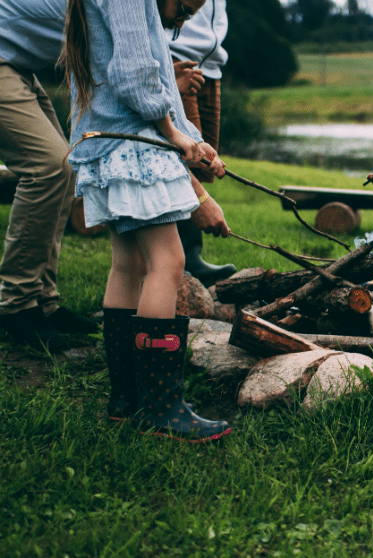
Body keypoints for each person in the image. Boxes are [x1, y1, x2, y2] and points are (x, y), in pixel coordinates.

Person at [62, 0, 231, 442]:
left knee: (129, 266)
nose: (187, 16)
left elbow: (150, 83)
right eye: (186, 5)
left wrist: (195, 143)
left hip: (108, 143)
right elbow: (135, 74)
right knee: (168, 263)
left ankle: (127, 400)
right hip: (132, 146)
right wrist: (176, 138)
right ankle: (161, 408)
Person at [0, 0, 101, 352]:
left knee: (66, 166)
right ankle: (15, 304)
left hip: (18, 66)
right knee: (49, 166)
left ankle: (43, 301)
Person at [167, 0, 237, 285]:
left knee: (202, 164)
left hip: (212, 64)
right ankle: (180, 256)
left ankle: (187, 255)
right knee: (180, 155)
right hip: (177, 57)